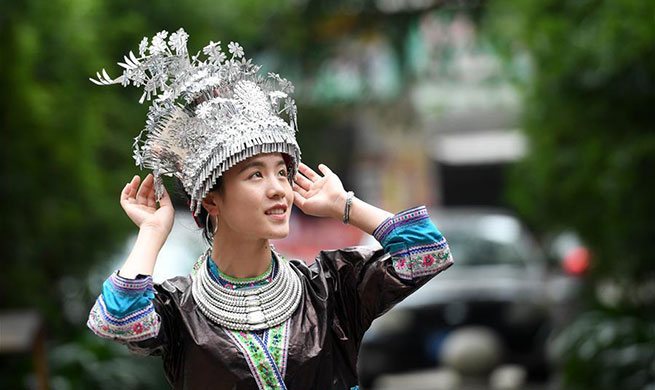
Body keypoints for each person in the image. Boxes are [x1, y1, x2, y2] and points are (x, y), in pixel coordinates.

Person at [87, 28, 453, 390]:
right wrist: (152, 233)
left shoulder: (329, 289)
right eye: (255, 175)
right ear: (212, 199)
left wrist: (346, 205)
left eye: (282, 172)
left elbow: (427, 253)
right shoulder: (181, 310)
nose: (278, 188)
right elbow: (119, 319)